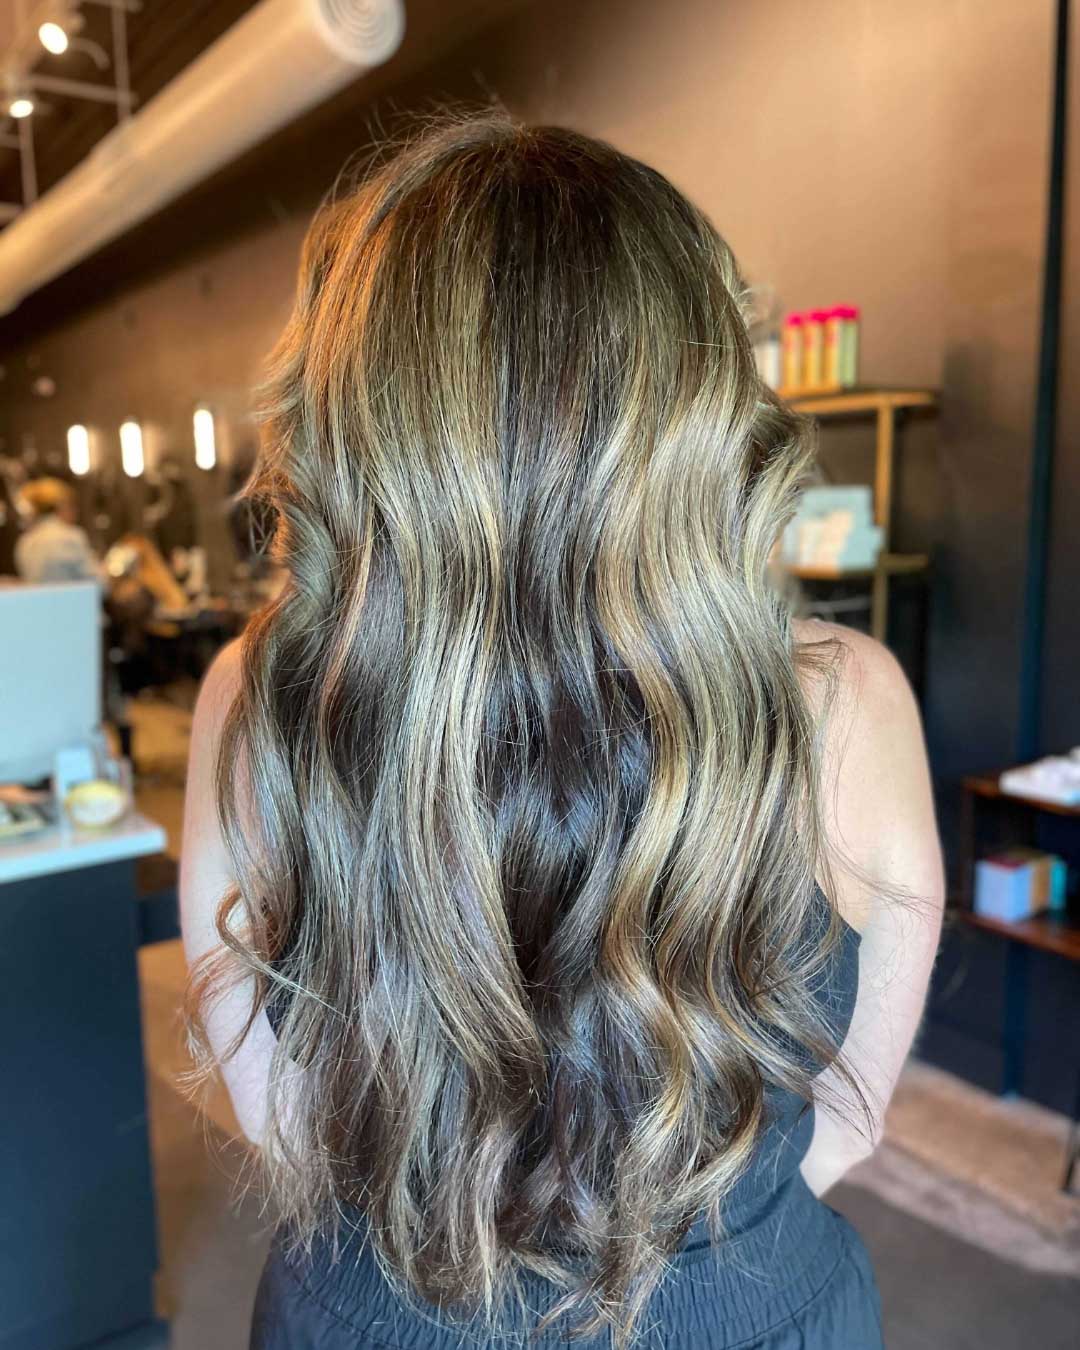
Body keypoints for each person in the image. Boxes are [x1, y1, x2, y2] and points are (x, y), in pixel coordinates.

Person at [181, 117, 944, 1349]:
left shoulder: (254, 692)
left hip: (370, 1314)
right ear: (699, 402)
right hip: (749, 1312)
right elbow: (846, 1123)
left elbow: (275, 1107)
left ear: (359, 417)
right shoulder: (846, 696)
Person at [14, 477, 101, 584]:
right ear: (61, 505)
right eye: (72, 505)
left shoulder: (25, 541)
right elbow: (98, 581)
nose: (76, 512)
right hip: (73, 600)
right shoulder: (70, 536)